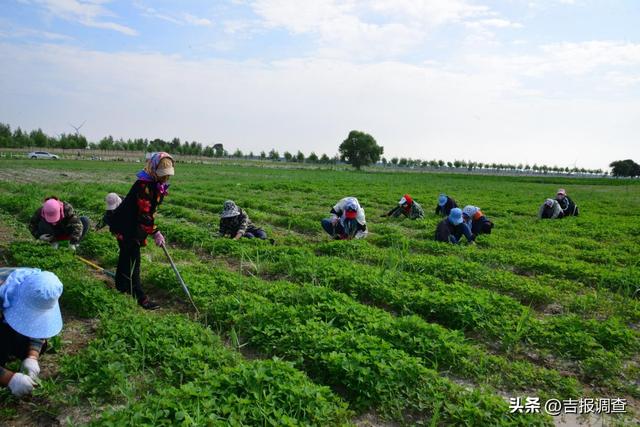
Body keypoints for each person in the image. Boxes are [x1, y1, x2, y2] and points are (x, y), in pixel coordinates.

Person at [107, 152, 175, 310]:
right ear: (153, 169)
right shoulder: (144, 186)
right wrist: (155, 232)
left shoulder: (155, 184)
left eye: (167, 175)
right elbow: (145, 216)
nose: (165, 178)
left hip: (131, 225)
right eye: (162, 175)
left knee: (125, 257)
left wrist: (153, 228)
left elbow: (150, 212)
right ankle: (140, 297)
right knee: (133, 261)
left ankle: (121, 286)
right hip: (125, 226)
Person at [0, 268, 63, 397]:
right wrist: (8, 378)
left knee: (26, 343)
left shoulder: (37, 286)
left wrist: (32, 356)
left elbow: (39, 326)